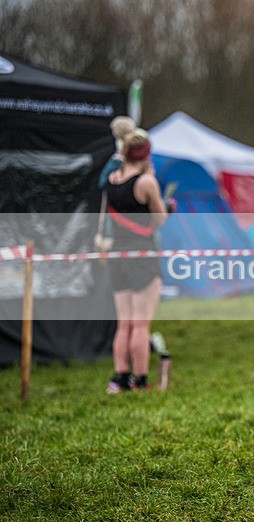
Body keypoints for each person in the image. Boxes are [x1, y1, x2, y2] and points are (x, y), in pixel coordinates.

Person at [105, 128, 168, 393]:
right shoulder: (146, 183)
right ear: (145, 155)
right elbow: (159, 219)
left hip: (117, 255)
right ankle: (140, 380)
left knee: (125, 323)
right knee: (141, 324)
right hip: (142, 255)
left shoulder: (112, 179)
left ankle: (120, 377)